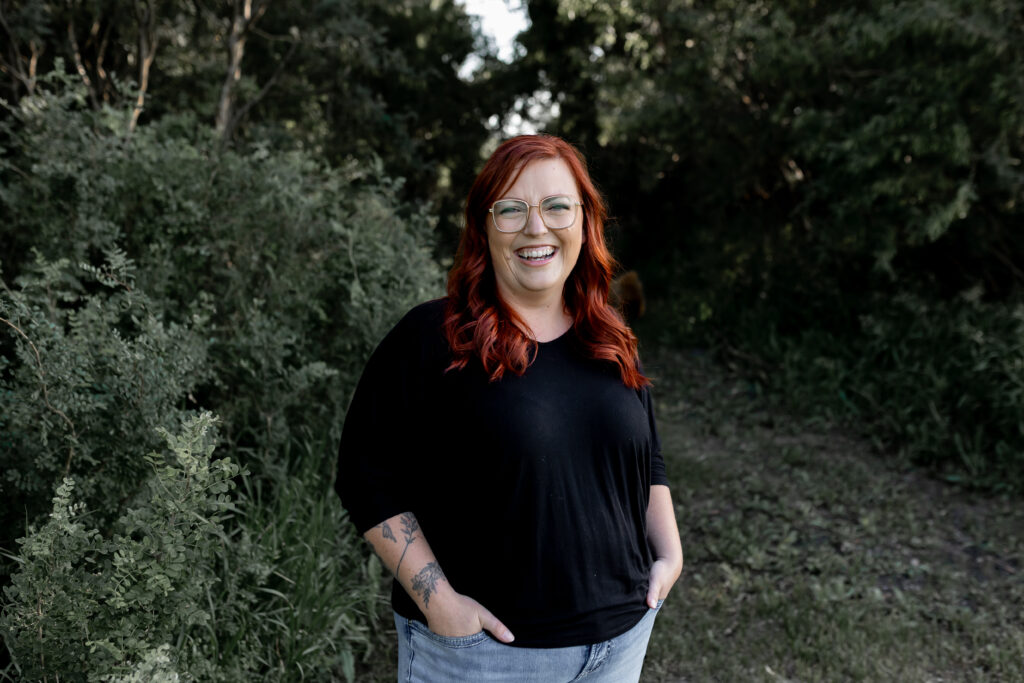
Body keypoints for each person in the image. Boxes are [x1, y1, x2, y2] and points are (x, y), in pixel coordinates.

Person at [335, 134, 683, 682]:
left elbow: (646, 458)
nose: (535, 227)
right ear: (484, 227)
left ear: (585, 220)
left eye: (556, 206)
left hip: (620, 645)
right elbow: (364, 476)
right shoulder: (433, 338)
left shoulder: (611, 336)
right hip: (483, 657)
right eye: (512, 209)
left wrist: (669, 553)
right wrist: (439, 601)